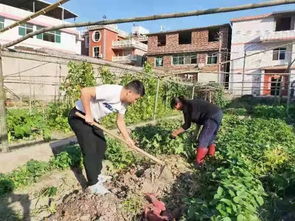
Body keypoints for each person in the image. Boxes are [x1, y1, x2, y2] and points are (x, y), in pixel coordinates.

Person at [68, 80, 145, 194]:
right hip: (79, 116)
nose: (135, 102)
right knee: (90, 150)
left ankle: (97, 175)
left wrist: (128, 139)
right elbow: (85, 92)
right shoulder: (112, 91)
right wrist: (88, 113)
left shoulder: (123, 103)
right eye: (136, 98)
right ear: (129, 92)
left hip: (93, 120)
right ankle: (93, 184)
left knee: (101, 145)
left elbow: (120, 121)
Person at [170, 96, 223, 166]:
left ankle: (198, 163)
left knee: (203, 139)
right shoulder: (191, 104)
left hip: (211, 116)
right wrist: (195, 135)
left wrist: (175, 133)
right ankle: (210, 157)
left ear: (178, 104)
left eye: (175, 107)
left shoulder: (186, 107)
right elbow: (199, 121)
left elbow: (187, 125)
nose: (176, 109)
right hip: (218, 113)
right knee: (210, 138)